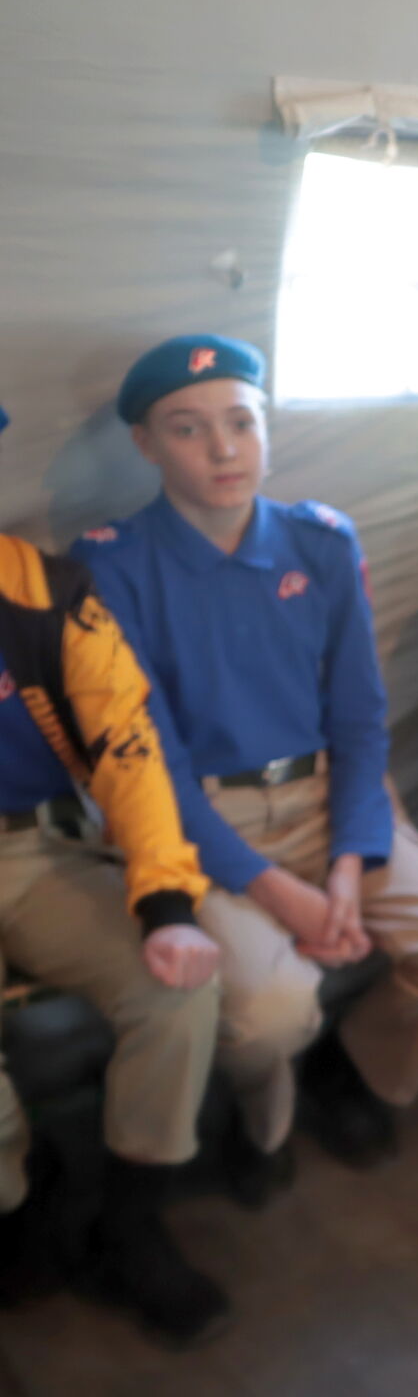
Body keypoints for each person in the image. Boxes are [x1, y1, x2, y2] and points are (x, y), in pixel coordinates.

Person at [73, 337, 418, 1191]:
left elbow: (358, 719)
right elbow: (146, 765)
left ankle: (358, 1071)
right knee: (271, 1016)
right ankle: (262, 1116)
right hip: (196, 821)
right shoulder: (114, 563)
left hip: (330, 796)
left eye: (242, 422)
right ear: (145, 444)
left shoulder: (320, 541)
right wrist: (279, 893)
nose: (223, 449)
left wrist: (346, 867)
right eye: (188, 428)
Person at [0, 403, 231, 1343]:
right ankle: (19, 1213)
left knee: (174, 989)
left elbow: (128, 745)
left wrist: (166, 902)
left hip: (26, 848)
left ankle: (128, 1222)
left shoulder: (44, 591)